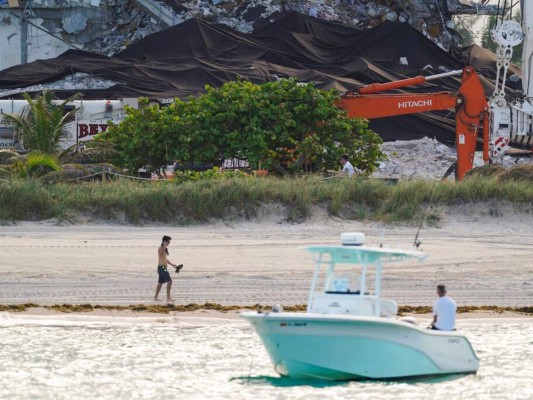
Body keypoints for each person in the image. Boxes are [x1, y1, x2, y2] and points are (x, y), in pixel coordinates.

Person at [154, 235, 183, 302]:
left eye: (169, 241)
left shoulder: (164, 248)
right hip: (162, 268)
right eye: (168, 241)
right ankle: (168, 298)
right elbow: (161, 254)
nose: (169, 242)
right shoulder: (161, 248)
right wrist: (164, 246)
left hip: (163, 268)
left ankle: (155, 298)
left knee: (160, 283)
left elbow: (165, 258)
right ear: (164, 241)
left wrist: (172, 265)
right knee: (170, 282)